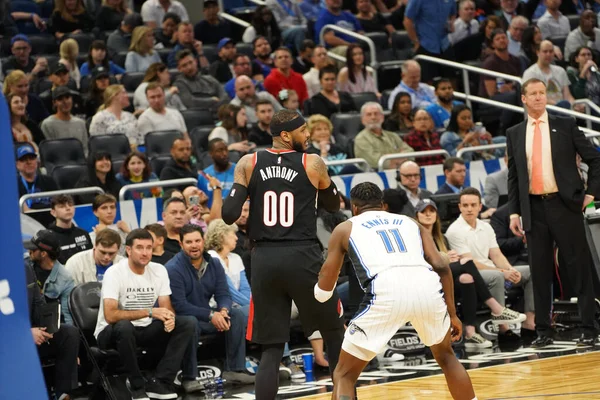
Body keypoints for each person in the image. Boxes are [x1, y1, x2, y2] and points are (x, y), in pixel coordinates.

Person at [221, 109, 345, 400]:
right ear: (287, 135)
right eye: (303, 131)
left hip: (264, 259)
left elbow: (228, 215)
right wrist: (325, 182)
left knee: (272, 347)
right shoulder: (312, 162)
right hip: (302, 255)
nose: (308, 135)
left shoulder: (247, 162)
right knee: (334, 331)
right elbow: (331, 206)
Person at [315, 182, 476, 400]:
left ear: (354, 207)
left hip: (385, 291)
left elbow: (327, 278)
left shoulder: (345, 227)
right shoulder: (410, 222)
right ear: (383, 205)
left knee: (344, 374)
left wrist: (320, 294)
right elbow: (440, 265)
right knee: (447, 357)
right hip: (426, 287)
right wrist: (453, 314)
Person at [507, 78, 600, 346]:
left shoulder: (565, 125)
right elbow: (515, 178)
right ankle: (544, 331)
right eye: (533, 94)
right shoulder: (515, 133)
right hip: (533, 209)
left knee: (578, 267)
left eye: (542, 93)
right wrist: (514, 213)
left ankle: (588, 327)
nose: (538, 97)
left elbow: (595, 159)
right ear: (523, 99)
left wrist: (590, 195)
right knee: (539, 270)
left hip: (564, 205)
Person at [94, 229, 198, 399]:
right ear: (128, 250)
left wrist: (169, 318)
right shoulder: (114, 272)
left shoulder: (159, 270)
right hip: (110, 332)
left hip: (144, 329)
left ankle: (161, 382)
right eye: (139, 248)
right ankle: (136, 385)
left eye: (149, 248)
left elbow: (166, 307)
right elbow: (110, 316)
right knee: (124, 326)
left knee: (187, 322)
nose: (145, 252)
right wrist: (150, 312)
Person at [416, 199, 524, 348]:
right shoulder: (415, 238)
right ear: (417, 216)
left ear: (436, 215)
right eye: (423, 212)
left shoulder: (442, 238)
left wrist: (448, 258)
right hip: (428, 278)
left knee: (467, 278)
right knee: (466, 261)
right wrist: (445, 258)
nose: (428, 215)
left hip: (447, 278)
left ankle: (471, 333)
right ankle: (496, 308)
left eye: (431, 211)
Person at [166, 224, 256, 386]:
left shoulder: (214, 263)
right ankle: (189, 378)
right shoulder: (173, 268)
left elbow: (223, 294)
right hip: (184, 319)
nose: (194, 245)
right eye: (189, 242)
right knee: (190, 322)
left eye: (197, 241)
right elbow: (180, 305)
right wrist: (211, 315)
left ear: (204, 241)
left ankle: (235, 370)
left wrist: (223, 310)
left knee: (236, 315)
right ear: (181, 244)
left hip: (206, 316)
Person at [446, 187, 535, 340]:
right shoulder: (454, 230)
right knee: (496, 276)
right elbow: (470, 262)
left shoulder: (486, 226)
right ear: (459, 207)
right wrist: (501, 272)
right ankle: (503, 327)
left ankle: (529, 321)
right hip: (472, 272)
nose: (469, 209)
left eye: (473, 205)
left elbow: (496, 254)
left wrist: (510, 269)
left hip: (491, 268)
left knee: (530, 271)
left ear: (480, 206)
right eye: (465, 205)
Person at [25, 256, 79, 400]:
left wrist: (47, 327)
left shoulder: (25, 269)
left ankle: (62, 393)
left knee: (69, 333)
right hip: (9, 337)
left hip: (34, 330)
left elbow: (38, 303)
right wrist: (25, 333)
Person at [26, 229, 75, 324]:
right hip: (24, 316)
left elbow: (66, 314)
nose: (29, 251)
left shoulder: (65, 278)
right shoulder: (24, 264)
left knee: (71, 332)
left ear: (43, 254)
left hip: (46, 321)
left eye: (33, 249)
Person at [478, 29, 522, 135]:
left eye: (503, 38)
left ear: (508, 40)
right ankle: (503, 129)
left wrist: (510, 85)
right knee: (512, 96)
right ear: (493, 44)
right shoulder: (490, 63)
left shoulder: (515, 60)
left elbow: (520, 81)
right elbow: (491, 92)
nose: (502, 40)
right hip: (489, 101)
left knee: (519, 94)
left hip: (512, 94)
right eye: (498, 39)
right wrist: (512, 86)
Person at [403, 0, 456, 82]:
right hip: (426, 45)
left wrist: (451, 23)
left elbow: (453, 13)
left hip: (444, 44)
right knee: (428, 82)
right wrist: (416, 41)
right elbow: (407, 21)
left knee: (452, 79)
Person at [354, 102, 414, 170]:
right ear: (362, 119)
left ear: (382, 117)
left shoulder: (393, 136)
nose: (373, 117)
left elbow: (410, 152)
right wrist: (399, 157)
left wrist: (392, 160)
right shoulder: (361, 139)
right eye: (369, 114)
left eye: (376, 114)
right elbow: (375, 162)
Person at [522, 40, 576, 108]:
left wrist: (574, 105)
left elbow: (567, 95)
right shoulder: (530, 73)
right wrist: (556, 105)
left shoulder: (561, 71)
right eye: (545, 51)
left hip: (563, 109)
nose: (548, 54)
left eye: (551, 51)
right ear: (538, 52)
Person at [89, 84, 142, 149]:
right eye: (124, 93)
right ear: (114, 96)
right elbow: (96, 143)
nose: (127, 96)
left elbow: (139, 139)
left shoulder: (130, 116)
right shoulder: (100, 118)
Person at [40, 86, 88, 155]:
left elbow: (85, 149)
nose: (65, 102)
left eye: (67, 98)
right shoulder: (48, 124)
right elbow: (49, 151)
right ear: (54, 103)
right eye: (60, 99)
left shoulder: (81, 123)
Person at [48, 195, 93, 264]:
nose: (68, 208)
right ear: (53, 212)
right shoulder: (48, 237)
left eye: (70, 205)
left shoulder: (83, 234)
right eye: (62, 206)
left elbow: (90, 259)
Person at [16, 143, 58, 211]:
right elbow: (24, 211)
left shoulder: (49, 181)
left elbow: (58, 205)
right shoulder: (13, 185)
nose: (28, 162)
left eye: (32, 158)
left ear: (37, 161)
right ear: (17, 164)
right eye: (24, 159)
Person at [198, 138, 235, 203]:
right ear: (211, 154)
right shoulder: (204, 175)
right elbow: (201, 201)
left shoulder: (239, 171)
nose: (224, 153)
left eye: (226, 149)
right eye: (219, 150)